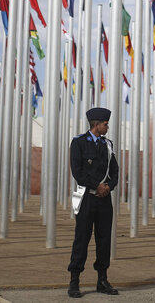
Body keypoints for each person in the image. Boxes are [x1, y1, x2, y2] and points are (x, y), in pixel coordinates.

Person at [67, 107, 120, 298]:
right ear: (96, 125)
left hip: (104, 198)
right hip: (83, 196)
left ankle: (102, 280)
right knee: (81, 238)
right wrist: (96, 186)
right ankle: (74, 281)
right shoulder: (79, 143)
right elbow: (77, 172)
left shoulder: (108, 145)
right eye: (105, 124)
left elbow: (115, 171)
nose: (107, 127)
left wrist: (108, 187)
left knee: (104, 239)